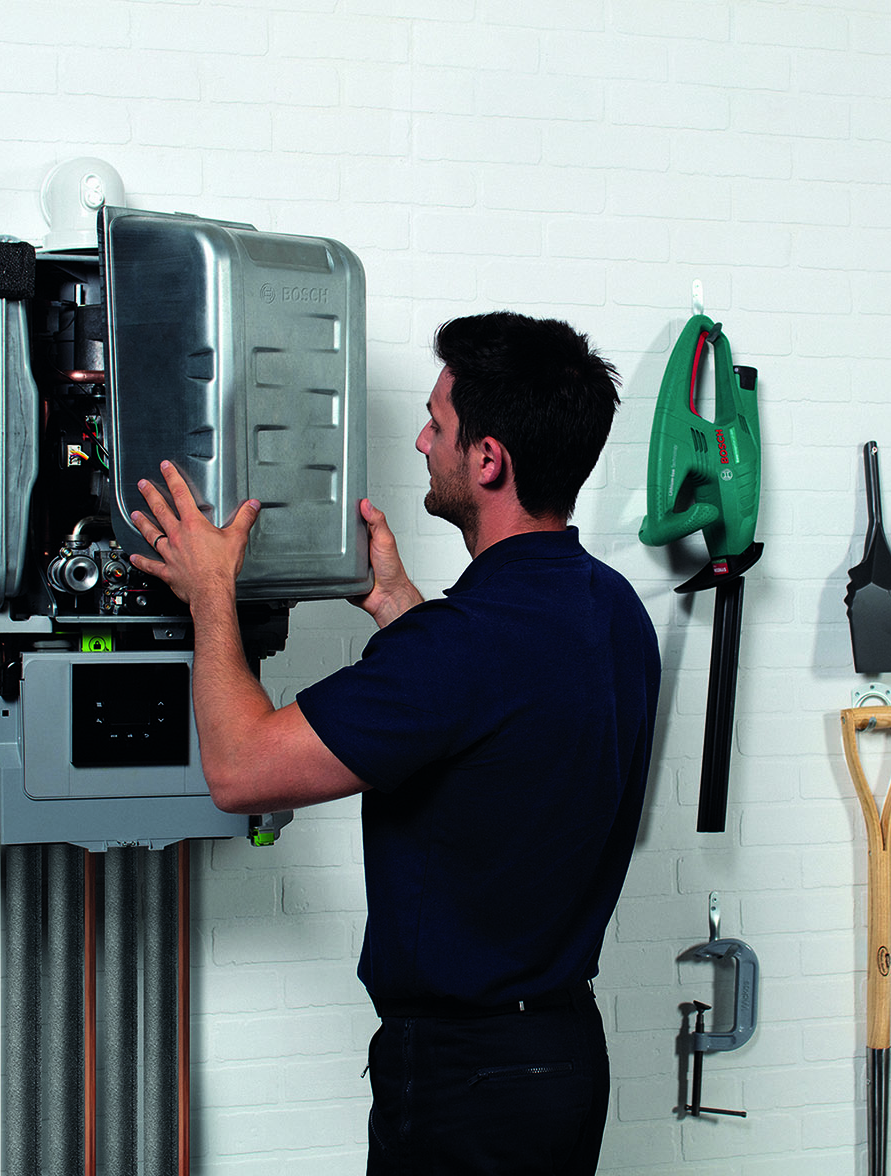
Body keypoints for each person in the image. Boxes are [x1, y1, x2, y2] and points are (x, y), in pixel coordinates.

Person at [128, 311, 661, 1174]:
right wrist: (397, 608)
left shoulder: (459, 646)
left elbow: (240, 769)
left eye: (439, 424)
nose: (420, 441)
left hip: (466, 1083)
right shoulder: (611, 610)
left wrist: (210, 594)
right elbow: (497, 731)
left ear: (489, 460)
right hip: (564, 1060)